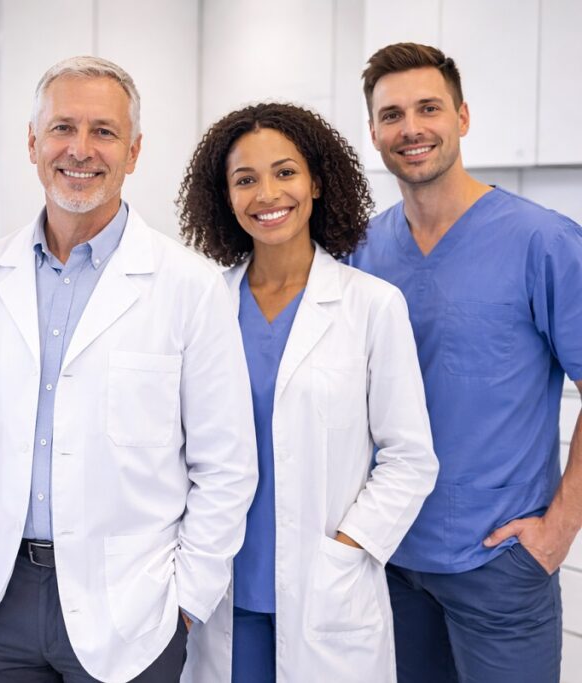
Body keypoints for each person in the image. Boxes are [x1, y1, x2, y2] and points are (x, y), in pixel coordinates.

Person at [0, 56, 257, 683]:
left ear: (134, 152)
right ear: (32, 142)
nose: (80, 149)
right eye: (62, 128)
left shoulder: (189, 287)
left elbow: (226, 464)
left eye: (104, 131)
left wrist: (186, 604)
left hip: (132, 608)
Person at [176, 102, 438, 683]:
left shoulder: (371, 305)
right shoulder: (202, 305)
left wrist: (349, 546)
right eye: (246, 179)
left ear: (316, 182)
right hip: (220, 587)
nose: (268, 194)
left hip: (326, 588)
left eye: (285, 172)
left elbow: (409, 458)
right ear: (226, 196)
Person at [351, 42, 582, 683]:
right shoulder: (362, 250)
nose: (411, 128)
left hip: (501, 563)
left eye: (428, 108)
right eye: (392, 114)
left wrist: (558, 530)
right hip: (390, 559)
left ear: (462, 116)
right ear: (373, 131)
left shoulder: (543, 241)